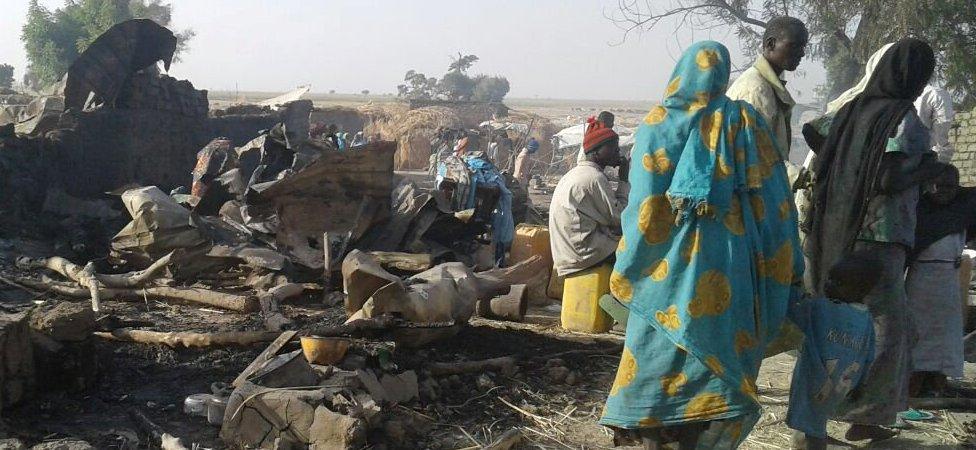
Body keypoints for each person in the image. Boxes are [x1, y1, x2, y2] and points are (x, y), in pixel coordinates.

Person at [600, 41, 803, 450]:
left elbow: (644, 206)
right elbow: (777, 201)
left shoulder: (659, 125)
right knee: (724, 351)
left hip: (666, 271)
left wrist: (629, 261)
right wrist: (786, 265)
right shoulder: (746, 122)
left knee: (654, 349)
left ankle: (651, 435)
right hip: (733, 264)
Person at [803, 38, 951, 442]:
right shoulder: (904, 118)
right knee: (889, 328)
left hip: (836, 231)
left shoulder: (852, 110)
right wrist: (931, 170)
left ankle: (814, 412)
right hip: (879, 237)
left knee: (832, 322)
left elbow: (814, 131)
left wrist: (849, 163)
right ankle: (865, 416)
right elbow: (889, 178)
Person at [786, 253, 881, 450]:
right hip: (841, 386)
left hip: (815, 379)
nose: (829, 284)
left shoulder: (821, 309)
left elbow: (793, 307)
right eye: (830, 278)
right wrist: (861, 385)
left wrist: (788, 284)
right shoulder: (866, 319)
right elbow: (869, 356)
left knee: (812, 430)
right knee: (815, 422)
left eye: (838, 282)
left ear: (860, 290)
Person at [907, 166, 976, 397]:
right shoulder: (919, 209)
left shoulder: (963, 209)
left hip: (948, 280)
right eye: (937, 184)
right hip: (922, 281)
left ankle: (938, 384)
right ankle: (912, 386)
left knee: (946, 334)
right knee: (919, 334)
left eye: (949, 186)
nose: (942, 190)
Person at [549, 118, 628, 277]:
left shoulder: (576, 173)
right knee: (637, 250)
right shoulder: (594, 178)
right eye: (612, 147)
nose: (617, 152)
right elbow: (620, 218)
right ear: (596, 150)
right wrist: (624, 180)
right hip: (583, 254)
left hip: (567, 251)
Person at [726, 16, 808, 163]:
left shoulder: (769, 86)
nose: (802, 53)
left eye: (803, 47)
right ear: (771, 44)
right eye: (795, 46)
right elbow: (755, 157)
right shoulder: (756, 90)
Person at [915, 84, 956, 162]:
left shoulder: (935, 94)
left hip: (922, 160)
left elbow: (939, 142)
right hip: (922, 161)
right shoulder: (936, 94)